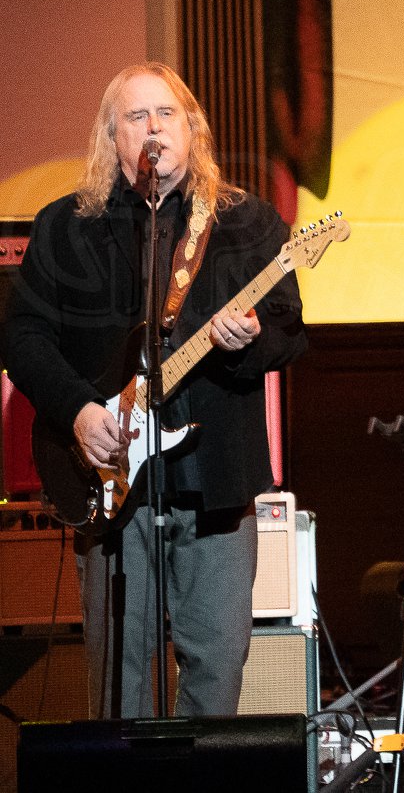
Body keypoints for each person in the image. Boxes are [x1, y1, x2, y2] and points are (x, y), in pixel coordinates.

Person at [2, 63, 307, 717]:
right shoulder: (66, 227)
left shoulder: (245, 222)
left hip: (218, 483)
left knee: (217, 670)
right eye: (135, 117)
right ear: (111, 137)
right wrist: (80, 411)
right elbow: (23, 338)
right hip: (110, 483)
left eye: (166, 114)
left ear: (192, 129)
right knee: (119, 682)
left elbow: (288, 330)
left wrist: (250, 336)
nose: (152, 129)